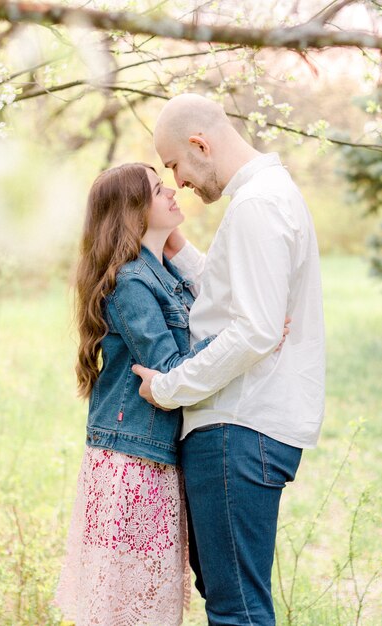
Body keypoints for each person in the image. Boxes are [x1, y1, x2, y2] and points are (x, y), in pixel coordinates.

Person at [53, 161, 291, 626]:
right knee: (130, 603)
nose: (171, 193)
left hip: (158, 457)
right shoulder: (131, 283)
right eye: (158, 190)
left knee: (153, 599)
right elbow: (168, 371)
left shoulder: (165, 274)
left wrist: (255, 325)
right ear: (133, 212)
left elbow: (213, 303)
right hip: (133, 461)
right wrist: (249, 339)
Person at [133, 94, 326, 626]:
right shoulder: (265, 196)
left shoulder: (256, 204)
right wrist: (179, 250)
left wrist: (168, 387)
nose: (180, 183)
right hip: (247, 426)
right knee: (232, 598)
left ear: (200, 144)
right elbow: (234, 299)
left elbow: (254, 330)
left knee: (236, 610)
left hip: (238, 426)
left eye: (175, 164)